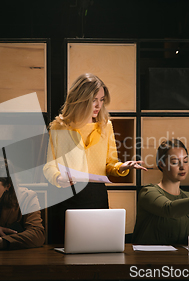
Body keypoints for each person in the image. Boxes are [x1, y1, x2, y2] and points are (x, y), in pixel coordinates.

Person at [43, 73, 146, 243]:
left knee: (98, 249)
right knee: (64, 254)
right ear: (80, 99)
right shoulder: (59, 127)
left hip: (96, 196)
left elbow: (110, 164)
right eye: (93, 100)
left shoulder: (106, 126)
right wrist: (58, 177)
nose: (99, 105)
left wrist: (122, 167)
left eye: (102, 99)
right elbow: (48, 167)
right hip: (65, 197)